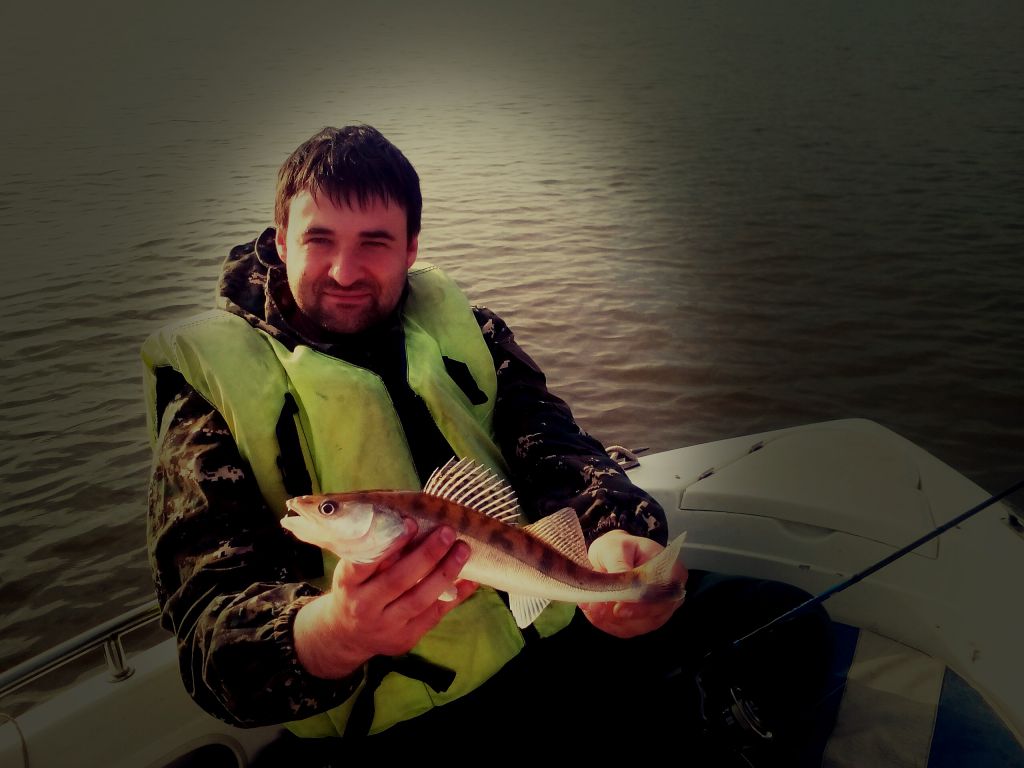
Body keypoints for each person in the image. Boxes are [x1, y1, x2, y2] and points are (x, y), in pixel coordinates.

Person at [144, 125, 834, 764]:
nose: (345, 270)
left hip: (552, 625)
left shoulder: (466, 329)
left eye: (375, 243)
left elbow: (556, 444)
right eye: (319, 239)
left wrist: (613, 531)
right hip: (400, 717)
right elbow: (207, 630)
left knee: (787, 622)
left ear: (411, 248)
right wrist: (336, 632)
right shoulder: (208, 392)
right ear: (281, 239)